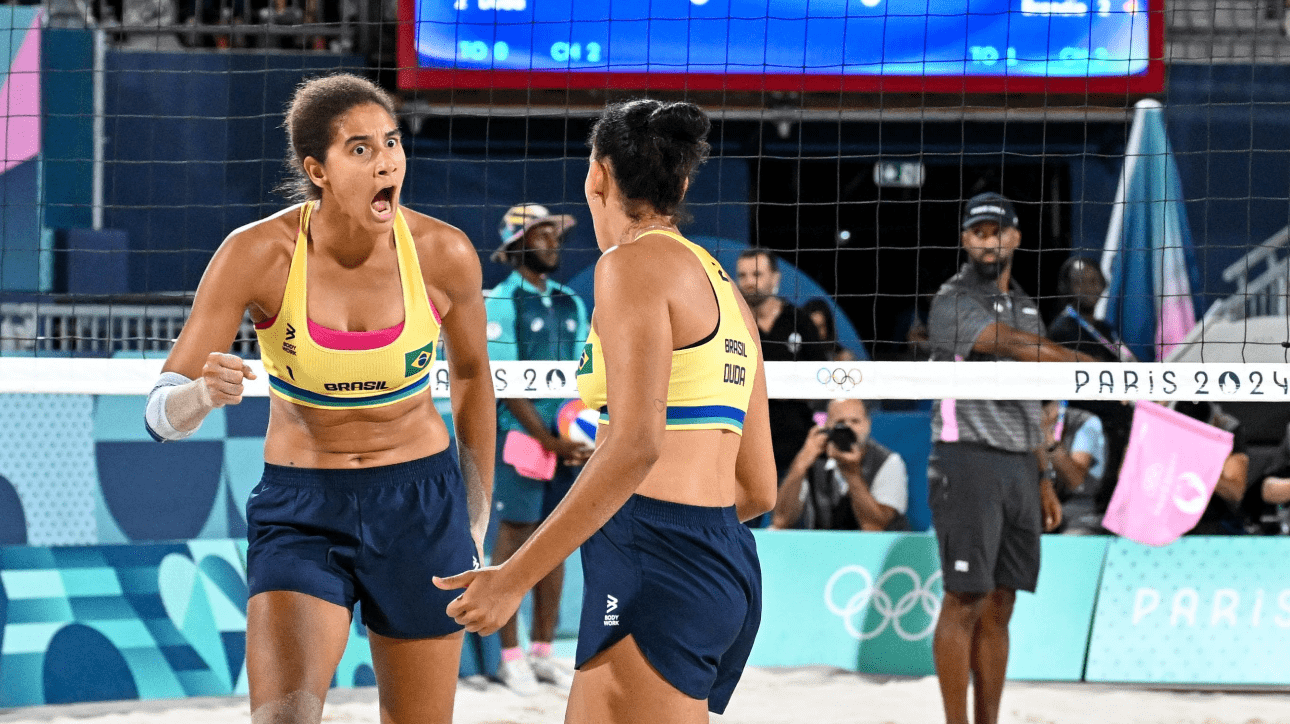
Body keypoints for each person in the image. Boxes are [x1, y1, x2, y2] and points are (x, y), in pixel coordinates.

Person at [143, 74, 495, 724]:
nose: (387, 160)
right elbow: (159, 412)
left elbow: (473, 379)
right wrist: (199, 395)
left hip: (422, 508)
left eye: (391, 142)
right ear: (318, 169)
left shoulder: (444, 253)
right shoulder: (258, 254)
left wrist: (472, 523)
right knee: (282, 719)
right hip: (304, 510)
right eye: (360, 149)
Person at [434, 99, 777, 723]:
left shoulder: (631, 265)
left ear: (599, 175)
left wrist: (512, 578)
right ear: (683, 181)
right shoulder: (726, 290)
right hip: (718, 558)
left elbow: (637, 444)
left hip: (656, 556)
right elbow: (758, 487)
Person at [926, 192, 1090, 724]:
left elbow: (1031, 399)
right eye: (977, 231)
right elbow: (1009, 346)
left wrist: (1042, 474)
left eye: (996, 230)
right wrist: (1078, 357)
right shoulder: (952, 299)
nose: (987, 239)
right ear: (964, 240)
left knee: (1002, 604)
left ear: (1015, 237)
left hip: (1021, 464)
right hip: (967, 456)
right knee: (964, 598)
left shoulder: (1024, 304)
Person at [484, 202, 589, 693]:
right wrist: (548, 439)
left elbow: (581, 377)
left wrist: (577, 433)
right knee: (512, 543)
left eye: (554, 234)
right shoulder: (503, 301)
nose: (553, 242)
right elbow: (506, 384)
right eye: (542, 235)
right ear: (518, 246)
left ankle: (544, 652)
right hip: (521, 437)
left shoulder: (571, 300)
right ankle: (509, 656)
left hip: (565, 438)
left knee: (557, 544)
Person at [1047, 256, 1135, 518]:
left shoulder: (1107, 330)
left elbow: (1128, 363)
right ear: (1066, 288)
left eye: (1094, 282)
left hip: (1118, 430)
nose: (1089, 288)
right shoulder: (1061, 331)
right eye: (1080, 282)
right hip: (1088, 427)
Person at [735, 248, 826, 479]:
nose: (748, 282)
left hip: (795, 443)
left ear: (775, 278)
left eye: (756, 274)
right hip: (744, 444)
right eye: (742, 275)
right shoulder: (731, 322)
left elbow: (822, 378)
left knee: (795, 515)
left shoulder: (799, 321)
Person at [770, 398, 908, 531]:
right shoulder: (813, 458)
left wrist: (852, 474)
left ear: (867, 424)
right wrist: (800, 465)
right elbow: (780, 521)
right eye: (840, 422)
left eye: (855, 421)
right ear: (827, 425)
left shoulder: (888, 461)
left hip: (874, 549)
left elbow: (874, 527)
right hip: (824, 546)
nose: (848, 428)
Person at [1174, 401, 1252, 535]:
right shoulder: (1155, 418)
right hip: (1165, 512)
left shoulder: (1226, 427)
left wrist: (1197, 463)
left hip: (1212, 520)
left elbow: (1235, 493)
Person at [1040, 401, 1107, 534]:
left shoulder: (1086, 423)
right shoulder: (1021, 421)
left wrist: (1048, 439)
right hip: (1037, 503)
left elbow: (1075, 481)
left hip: (1079, 508)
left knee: (1074, 537)